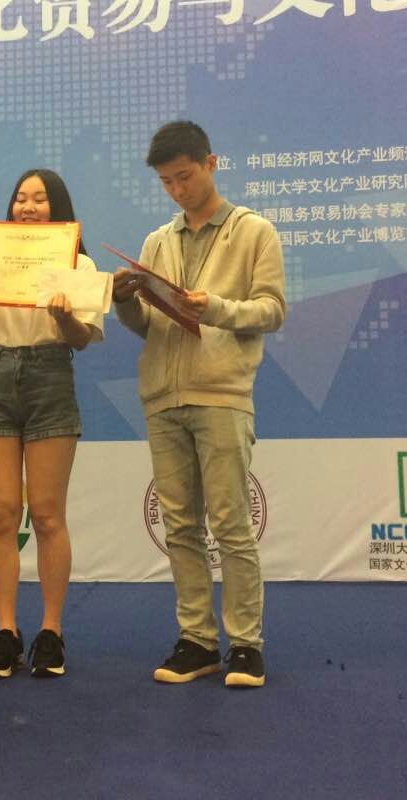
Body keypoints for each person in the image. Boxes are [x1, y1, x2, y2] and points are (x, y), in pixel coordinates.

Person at [112, 121, 286, 689]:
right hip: (162, 397)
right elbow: (148, 325)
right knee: (180, 526)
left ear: (212, 163)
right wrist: (126, 301)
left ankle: (246, 645)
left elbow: (272, 310)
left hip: (221, 394)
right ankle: (197, 641)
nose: (177, 190)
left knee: (231, 524)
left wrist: (213, 307)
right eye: (166, 182)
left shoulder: (253, 231)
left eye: (184, 176)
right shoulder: (157, 242)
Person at [0, 169, 105, 679]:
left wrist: (63, 316)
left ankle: (51, 631)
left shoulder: (79, 263)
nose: (28, 207)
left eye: (39, 199)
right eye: (20, 198)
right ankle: (6, 631)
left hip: (49, 377)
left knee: (46, 514)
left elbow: (81, 338)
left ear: (57, 207)